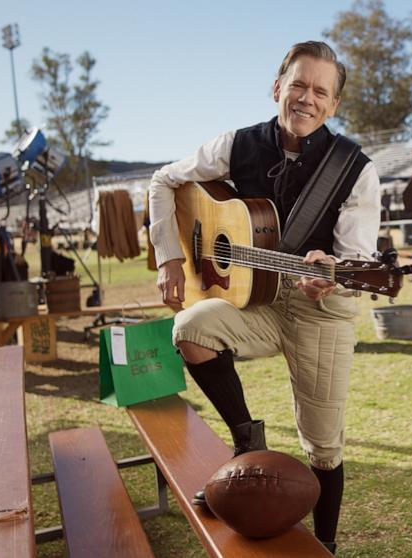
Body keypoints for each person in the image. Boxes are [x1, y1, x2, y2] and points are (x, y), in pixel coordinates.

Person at [148, 41, 379, 554]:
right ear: (277, 88)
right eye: (298, 85)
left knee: (322, 448)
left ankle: (325, 546)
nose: (306, 98)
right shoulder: (239, 143)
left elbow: (359, 260)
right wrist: (170, 257)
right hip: (259, 298)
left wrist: (331, 275)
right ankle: (247, 445)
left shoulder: (357, 170)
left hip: (321, 307)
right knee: (190, 329)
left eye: (321, 91)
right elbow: (163, 180)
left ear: (334, 105)